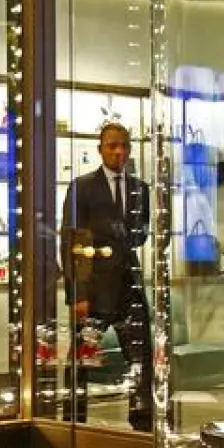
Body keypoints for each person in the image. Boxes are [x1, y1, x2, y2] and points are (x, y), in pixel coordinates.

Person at [59, 122, 152, 431]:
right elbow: (73, 242)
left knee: (142, 358)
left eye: (124, 145)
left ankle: (142, 425)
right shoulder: (82, 186)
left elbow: (141, 235)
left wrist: (122, 238)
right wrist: (78, 295)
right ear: (100, 149)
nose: (119, 151)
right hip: (94, 290)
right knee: (82, 362)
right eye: (112, 145)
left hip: (128, 287)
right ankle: (75, 424)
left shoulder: (141, 188)